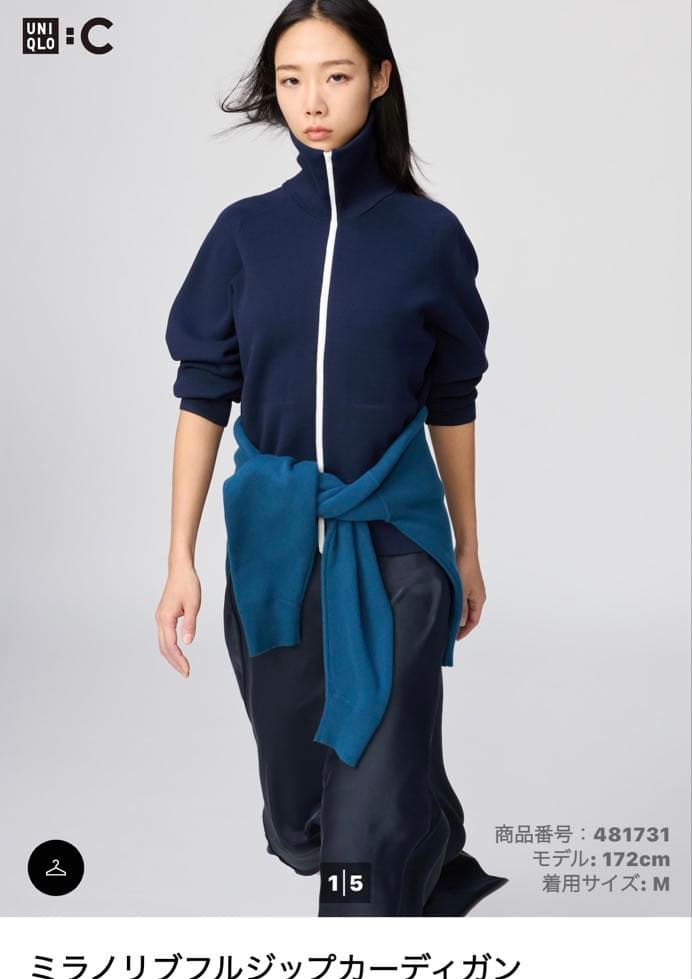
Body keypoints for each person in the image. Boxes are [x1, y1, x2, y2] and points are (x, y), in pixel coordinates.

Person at [157, 0, 508, 916]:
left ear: (380, 79)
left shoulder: (429, 237)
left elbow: (453, 400)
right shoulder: (243, 234)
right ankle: (427, 851)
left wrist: (466, 548)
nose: (312, 100)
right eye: (291, 79)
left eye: (337, 75)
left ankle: (375, 927)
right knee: (299, 817)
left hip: (395, 547)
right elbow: (203, 397)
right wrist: (179, 559)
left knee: (367, 824)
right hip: (273, 547)